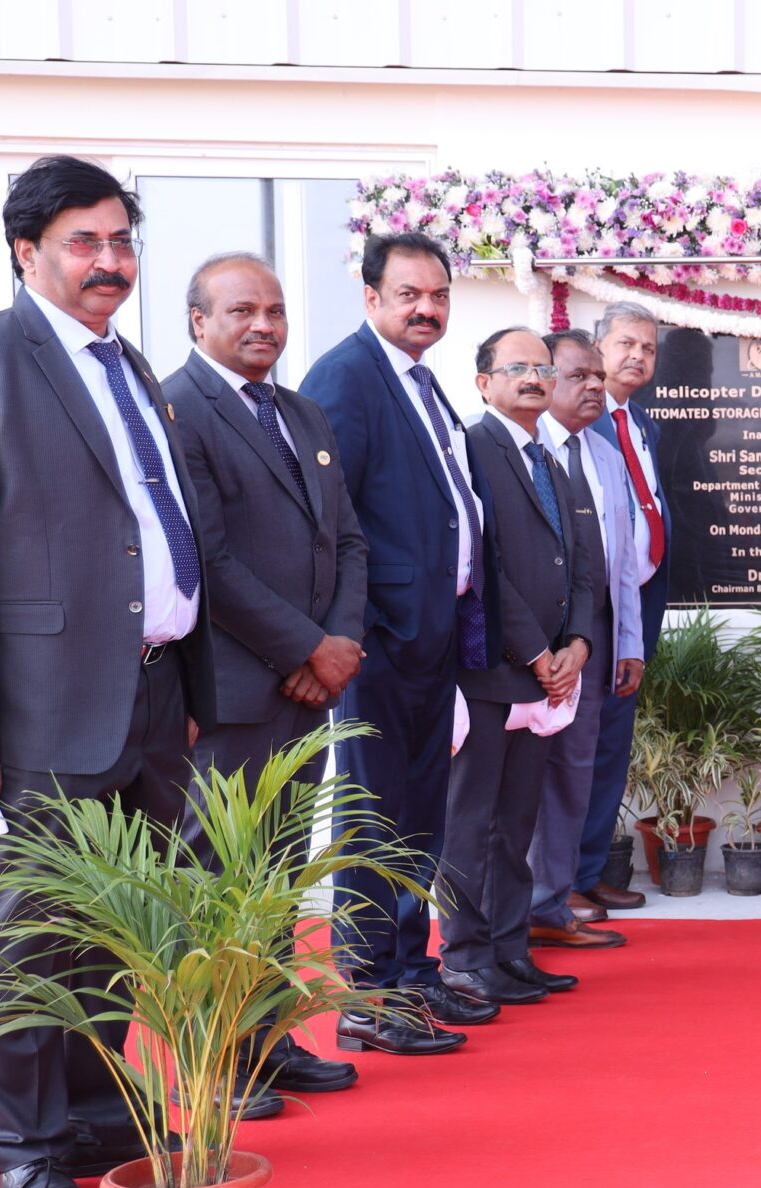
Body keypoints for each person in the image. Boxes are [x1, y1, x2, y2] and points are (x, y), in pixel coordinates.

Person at [0, 155, 221, 1188]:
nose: (109, 261)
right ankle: (22, 1144)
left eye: (121, 240)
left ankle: (93, 1111)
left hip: (146, 692)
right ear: (27, 251)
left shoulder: (130, 368)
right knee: (30, 928)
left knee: (113, 923)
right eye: (84, 242)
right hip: (35, 703)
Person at [165, 251, 367, 1100]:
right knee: (220, 879)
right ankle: (217, 1063)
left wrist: (341, 644)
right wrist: (303, 649)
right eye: (242, 310)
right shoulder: (178, 409)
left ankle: (270, 1040)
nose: (264, 326)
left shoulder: (303, 413)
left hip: (309, 687)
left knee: (282, 871)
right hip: (236, 689)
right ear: (198, 322)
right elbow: (205, 558)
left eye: (276, 311)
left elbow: (349, 541)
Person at [300, 231, 494, 1055]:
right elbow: (329, 520)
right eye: (409, 293)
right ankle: (370, 996)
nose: (426, 308)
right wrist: (350, 633)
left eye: (439, 295)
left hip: (431, 640)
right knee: (374, 820)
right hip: (377, 645)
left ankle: (410, 973)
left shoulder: (422, 383)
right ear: (371, 298)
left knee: (418, 820)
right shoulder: (347, 378)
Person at [437, 329, 603, 1008]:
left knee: (517, 822)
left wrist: (579, 647)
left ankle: (509, 950)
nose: (535, 378)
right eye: (518, 368)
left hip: (547, 676)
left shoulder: (551, 458)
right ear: (484, 383)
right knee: (469, 823)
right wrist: (538, 653)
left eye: (542, 367)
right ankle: (465, 957)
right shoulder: (474, 449)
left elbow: (582, 566)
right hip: (492, 670)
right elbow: (485, 566)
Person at [525, 328, 640, 951]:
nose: (596, 386)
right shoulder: (514, 445)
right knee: (517, 780)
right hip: (530, 645)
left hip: (590, 641)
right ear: (542, 378)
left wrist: (628, 644)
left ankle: (552, 899)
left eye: (599, 376)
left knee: (575, 770)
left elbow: (621, 564)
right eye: (579, 376)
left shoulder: (605, 455)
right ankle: (509, 906)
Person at [568, 300, 669, 918]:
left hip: (633, 608)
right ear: (597, 348)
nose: (637, 356)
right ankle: (561, 883)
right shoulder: (579, 419)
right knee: (573, 752)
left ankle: (588, 869)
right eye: (626, 344)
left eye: (649, 349)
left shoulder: (642, 423)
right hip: (588, 612)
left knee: (610, 748)